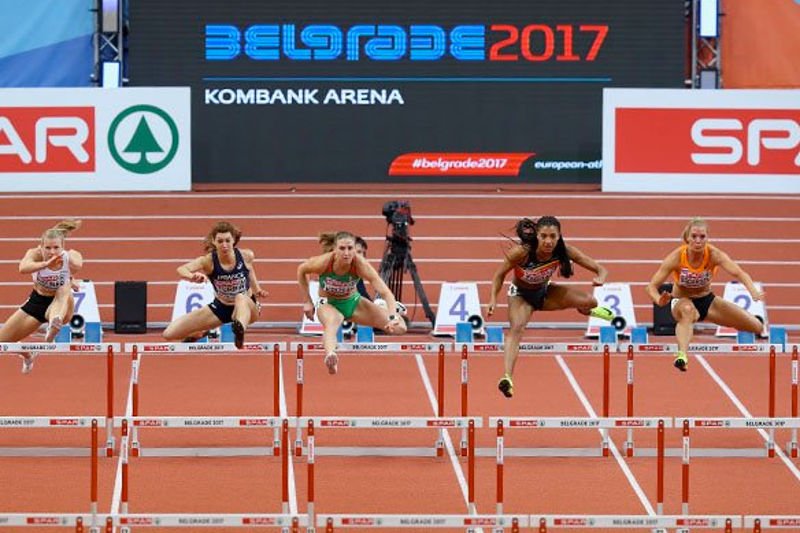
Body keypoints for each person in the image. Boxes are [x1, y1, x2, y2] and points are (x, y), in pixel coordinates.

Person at [488, 216, 613, 398]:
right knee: (516, 329)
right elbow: (498, 275)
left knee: (590, 302)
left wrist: (600, 278)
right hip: (521, 296)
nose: (548, 241)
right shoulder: (521, 252)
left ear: (559, 236)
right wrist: (493, 299)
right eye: (544, 236)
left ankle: (588, 311)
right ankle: (507, 377)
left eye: (553, 236)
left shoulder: (564, 250)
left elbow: (601, 269)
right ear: (537, 235)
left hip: (545, 293)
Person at [646, 217, 764, 372]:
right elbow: (651, 287)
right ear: (687, 238)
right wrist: (659, 300)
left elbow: (739, 273)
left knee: (757, 326)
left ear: (708, 238)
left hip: (707, 302)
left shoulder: (714, 255)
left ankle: (724, 320)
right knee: (688, 311)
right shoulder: (676, 257)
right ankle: (682, 355)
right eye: (694, 236)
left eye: (702, 237)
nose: (698, 241)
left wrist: (753, 291)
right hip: (681, 301)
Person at [298, 231, 407, 374]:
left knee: (401, 328)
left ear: (355, 249)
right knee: (332, 323)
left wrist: (392, 317)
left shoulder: (360, 264)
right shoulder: (323, 262)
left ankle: (382, 307)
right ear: (335, 250)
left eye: (350, 248)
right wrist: (308, 301)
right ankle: (331, 356)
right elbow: (301, 270)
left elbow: (386, 292)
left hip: (353, 302)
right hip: (329, 304)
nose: (346, 253)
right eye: (342, 248)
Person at [163, 221, 267, 348]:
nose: (224, 245)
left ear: (233, 240)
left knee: (240, 297)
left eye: (228, 241)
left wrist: (258, 289)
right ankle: (199, 334)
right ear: (213, 241)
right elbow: (181, 269)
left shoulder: (246, 255)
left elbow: (249, 270)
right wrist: (192, 276)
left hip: (247, 308)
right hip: (222, 308)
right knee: (169, 333)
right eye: (220, 241)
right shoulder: (208, 261)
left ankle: (239, 332)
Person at [0, 219, 83, 374]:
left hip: (62, 304)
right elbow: (23, 268)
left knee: (63, 288)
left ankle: (53, 327)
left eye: (56, 248)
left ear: (63, 247)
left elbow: (77, 265)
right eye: (48, 248)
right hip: (37, 302)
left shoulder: (70, 255)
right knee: (2, 341)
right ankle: (27, 355)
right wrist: (45, 264)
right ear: (41, 247)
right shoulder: (35, 254)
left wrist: (70, 273)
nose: (52, 252)